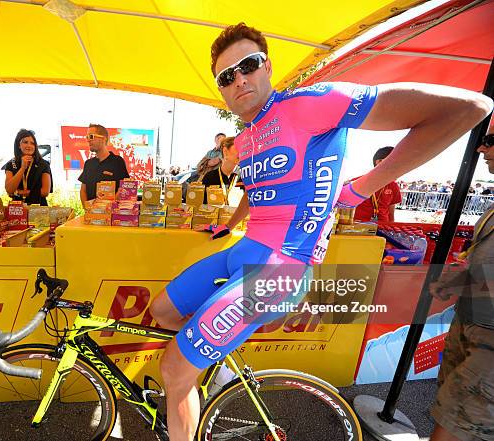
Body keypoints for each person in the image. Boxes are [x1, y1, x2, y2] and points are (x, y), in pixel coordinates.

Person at [148, 22, 493, 441]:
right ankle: (208, 370)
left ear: (267, 66)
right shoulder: (248, 136)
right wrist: (231, 224)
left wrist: (363, 187)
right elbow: (254, 192)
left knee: (173, 368)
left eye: (248, 65)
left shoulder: (310, 103)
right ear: (220, 89)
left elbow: (470, 108)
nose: (238, 80)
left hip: (279, 272)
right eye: (226, 77)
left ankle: (186, 389)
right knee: (162, 312)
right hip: (244, 251)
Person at [428, 129, 493, 441]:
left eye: (492, 141)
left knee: (456, 423)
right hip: (470, 326)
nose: (481, 148)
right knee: (449, 410)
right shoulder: (492, 209)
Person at [78, 123, 130, 205]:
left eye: (91, 136)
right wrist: (87, 209)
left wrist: (109, 209)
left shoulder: (117, 162)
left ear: (103, 139)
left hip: (110, 215)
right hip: (91, 215)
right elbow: (83, 190)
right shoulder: (88, 164)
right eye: (87, 137)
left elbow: (123, 188)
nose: (88, 140)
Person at [2, 129, 52, 206]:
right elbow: (9, 190)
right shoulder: (11, 164)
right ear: (18, 145)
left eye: (32, 143)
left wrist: (19, 192)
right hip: (17, 208)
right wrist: (22, 168)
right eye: (25, 142)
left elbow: (45, 191)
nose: (29, 146)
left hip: (38, 208)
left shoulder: (43, 164)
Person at [354, 146, 402, 222]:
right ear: (379, 161)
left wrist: (390, 229)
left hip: (382, 228)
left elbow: (391, 214)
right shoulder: (357, 182)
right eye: (393, 160)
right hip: (358, 229)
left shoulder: (393, 186)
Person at [201, 136, 242, 204]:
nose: (242, 151)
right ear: (225, 151)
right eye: (238, 147)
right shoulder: (210, 177)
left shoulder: (243, 177)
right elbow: (203, 206)